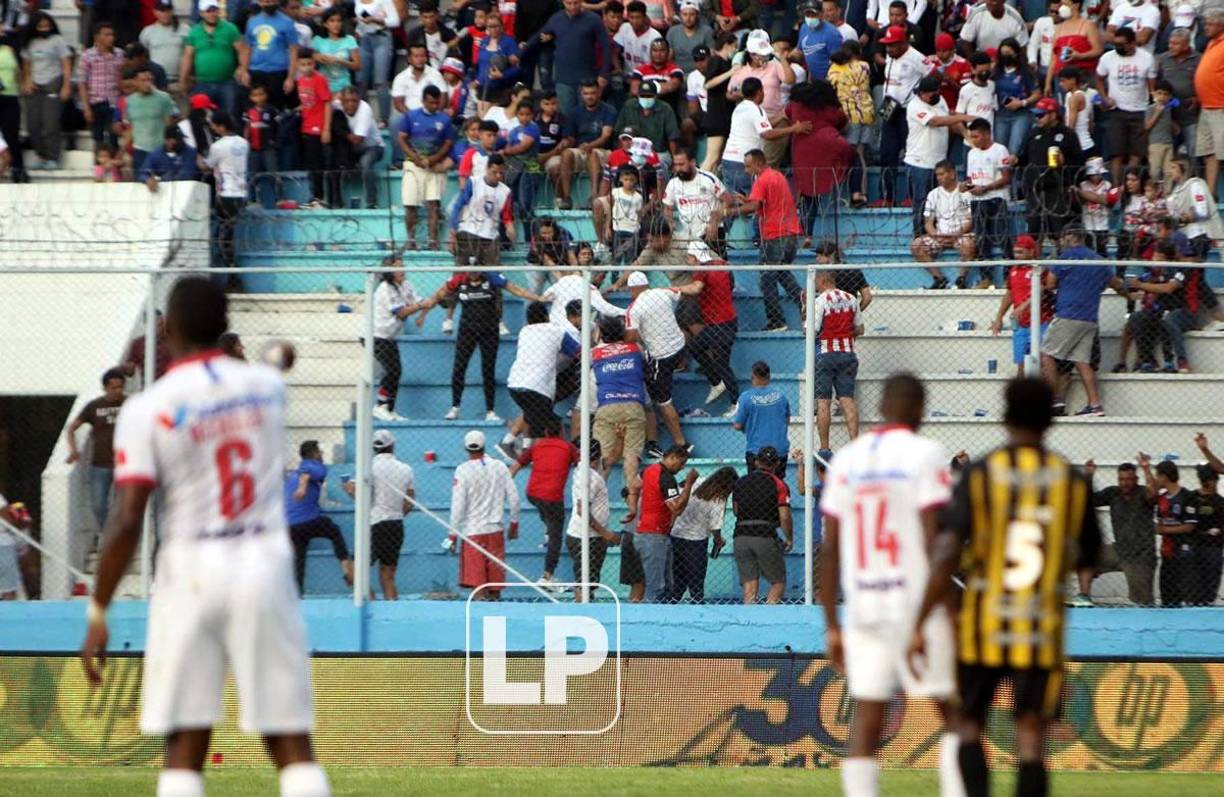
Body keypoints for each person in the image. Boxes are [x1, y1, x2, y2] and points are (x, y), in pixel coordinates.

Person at [80, 277, 333, 797]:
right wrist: (274, 353)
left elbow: (128, 518)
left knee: (186, 742)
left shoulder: (147, 409)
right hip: (262, 562)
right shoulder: (265, 388)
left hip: (190, 568)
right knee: (289, 741)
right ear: (224, 327)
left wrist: (99, 610)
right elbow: (279, 359)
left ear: (167, 329)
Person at [910, 377, 1101, 797]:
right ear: (1050, 422)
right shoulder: (1071, 481)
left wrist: (920, 618)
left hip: (985, 625)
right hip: (1040, 627)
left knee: (968, 725)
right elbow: (1090, 556)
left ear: (1006, 416)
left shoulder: (981, 474)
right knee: (1032, 737)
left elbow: (945, 552)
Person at [820, 373, 960, 797]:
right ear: (920, 409)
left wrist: (831, 624)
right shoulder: (926, 454)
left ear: (881, 406)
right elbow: (936, 539)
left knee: (867, 714)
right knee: (954, 712)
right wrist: (937, 613)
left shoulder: (847, 459)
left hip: (864, 607)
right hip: (916, 601)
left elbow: (830, 551)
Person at [1040, 227, 1127, 416]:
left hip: (1068, 315)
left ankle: (1052, 400)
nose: (1060, 242)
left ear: (1068, 238)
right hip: (1090, 317)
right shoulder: (1099, 260)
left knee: (1046, 354)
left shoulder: (1065, 258)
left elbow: (1050, 283)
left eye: (1062, 239)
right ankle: (1095, 405)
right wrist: (1129, 293)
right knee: (1081, 361)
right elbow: (1116, 284)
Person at [734, 148, 804, 332]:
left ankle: (776, 321)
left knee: (767, 278)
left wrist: (729, 212)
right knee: (781, 273)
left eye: (748, 166)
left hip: (774, 235)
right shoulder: (777, 176)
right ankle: (804, 301)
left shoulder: (762, 178)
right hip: (791, 232)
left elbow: (754, 207)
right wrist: (748, 199)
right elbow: (765, 200)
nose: (746, 170)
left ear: (758, 163)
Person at [625, 270, 692, 458]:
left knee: (662, 401)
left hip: (661, 357)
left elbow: (630, 338)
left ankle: (681, 443)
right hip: (680, 347)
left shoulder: (634, 308)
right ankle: (682, 364)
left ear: (632, 289)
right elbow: (681, 294)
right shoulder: (661, 292)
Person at [501, 302, 581, 456]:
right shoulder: (556, 331)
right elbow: (579, 352)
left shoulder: (524, 331)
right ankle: (539, 457)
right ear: (547, 316)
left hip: (515, 384)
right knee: (548, 426)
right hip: (539, 387)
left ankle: (516, 445)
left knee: (531, 414)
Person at [591, 316, 649, 525]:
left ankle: (594, 505)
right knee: (631, 458)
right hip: (634, 405)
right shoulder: (635, 349)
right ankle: (632, 506)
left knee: (603, 459)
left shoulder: (595, 353)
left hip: (607, 406)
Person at [451, 430, 520, 601]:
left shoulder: (463, 470)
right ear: (484, 445)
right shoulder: (499, 467)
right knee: (495, 586)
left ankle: (479, 620)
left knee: (478, 587)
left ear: (466, 448)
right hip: (495, 530)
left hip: (473, 532)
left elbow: (458, 505)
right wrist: (514, 524)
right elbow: (514, 498)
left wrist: (453, 534)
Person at [510, 418, 579, 591]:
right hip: (553, 498)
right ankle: (547, 575)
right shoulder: (568, 448)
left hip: (532, 494)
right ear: (562, 432)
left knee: (544, 507)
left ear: (546, 432)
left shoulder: (537, 446)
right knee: (557, 535)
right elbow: (583, 465)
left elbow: (515, 467)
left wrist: (503, 486)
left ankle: (547, 529)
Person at [675, 241, 739, 413]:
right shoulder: (722, 265)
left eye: (689, 257)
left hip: (720, 325)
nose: (688, 260)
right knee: (696, 348)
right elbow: (730, 285)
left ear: (695, 258)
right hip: (723, 322)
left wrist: (675, 289)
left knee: (722, 364)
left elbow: (696, 288)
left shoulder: (701, 271)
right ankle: (716, 382)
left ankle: (736, 402)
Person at [906, 75, 972, 240]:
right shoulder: (914, 105)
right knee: (922, 202)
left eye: (929, 94)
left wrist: (965, 133)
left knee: (939, 202)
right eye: (923, 94)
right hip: (919, 162)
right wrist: (962, 117)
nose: (926, 97)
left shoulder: (940, 100)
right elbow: (936, 121)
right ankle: (920, 237)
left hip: (939, 162)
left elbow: (949, 120)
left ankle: (940, 236)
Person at [285, 439, 354, 594]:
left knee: (299, 558)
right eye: (320, 451)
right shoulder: (311, 466)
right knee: (334, 531)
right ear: (314, 454)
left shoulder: (292, 476)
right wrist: (303, 488)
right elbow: (309, 472)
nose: (322, 454)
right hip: (309, 520)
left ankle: (298, 594)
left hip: (291, 525)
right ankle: (346, 568)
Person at [1083, 460, 1156, 605]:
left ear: (1136, 479)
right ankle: (1083, 596)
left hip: (1140, 556)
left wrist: (1146, 469)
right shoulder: (1113, 493)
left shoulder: (1142, 493)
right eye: (1121, 479)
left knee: (1143, 602)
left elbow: (1153, 494)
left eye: (1129, 479)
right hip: (1119, 549)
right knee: (1086, 557)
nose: (1125, 483)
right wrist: (1089, 475)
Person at [66, 368, 128, 532]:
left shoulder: (130, 404)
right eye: (113, 387)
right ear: (105, 388)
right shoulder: (94, 406)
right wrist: (74, 450)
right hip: (100, 464)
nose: (118, 391)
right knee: (98, 505)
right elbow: (71, 428)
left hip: (125, 463)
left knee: (122, 505)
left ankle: (116, 538)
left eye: (120, 387)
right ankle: (108, 534)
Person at [875, 23, 930, 208]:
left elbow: (934, 76)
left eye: (892, 45)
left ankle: (910, 196)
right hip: (890, 111)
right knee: (887, 154)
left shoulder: (916, 57)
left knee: (910, 154)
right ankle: (886, 196)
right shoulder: (891, 58)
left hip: (908, 112)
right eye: (887, 44)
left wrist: (919, 93)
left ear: (903, 43)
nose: (888, 48)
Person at [1017, 97, 1084, 246]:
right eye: (1036, 115)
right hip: (1035, 190)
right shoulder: (1033, 133)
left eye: (1041, 115)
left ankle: (1063, 264)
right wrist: (1014, 159)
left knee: (1060, 233)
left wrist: (1063, 162)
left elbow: (1079, 163)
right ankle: (1035, 267)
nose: (1038, 118)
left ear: (1053, 115)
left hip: (1057, 190)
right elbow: (1023, 157)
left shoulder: (1068, 134)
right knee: (1034, 234)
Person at [812, 269, 863, 457]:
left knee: (823, 402)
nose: (815, 285)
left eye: (816, 281)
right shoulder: (851, 298)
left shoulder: (821, 301)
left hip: (826, 354)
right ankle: (855, 442)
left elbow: (813, 329)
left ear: (823, 280)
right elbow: (860, 328)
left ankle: (825, 447)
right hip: (848, 353)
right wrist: (845, 335)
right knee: (847, 400)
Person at [636, 444, 698, 601]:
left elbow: (634, 484)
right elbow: (676, 509)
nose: (682, 468)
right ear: (673, 458)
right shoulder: (666, 478)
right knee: (657, 586)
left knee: (663, 582)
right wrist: (689, 484)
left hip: (649, 530)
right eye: (681, 463)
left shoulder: (648, 470)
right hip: (655, 534)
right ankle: (651, 618)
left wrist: (633, 507)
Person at [731, 446, 792, 605]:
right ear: (777, 463)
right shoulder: (779, 484)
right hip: (764, 534)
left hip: (741, 535)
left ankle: (749, 620)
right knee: (778, 582)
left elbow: (736, 511)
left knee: (749, 584)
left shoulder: (741, 482)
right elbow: (784, 516)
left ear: (757, 462)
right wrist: (789, 538)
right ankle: (768, 614)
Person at [397, 84, 455, 251]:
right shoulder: (410, 116)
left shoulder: (444, 120)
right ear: (423, 101)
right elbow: (402, 138)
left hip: (434, 166)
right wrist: (414, 157)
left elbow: (448, 143)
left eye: (437, 103)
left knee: (433, 205)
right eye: (431, 103)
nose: (434, 106)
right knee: (410, 204)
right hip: (413, 164)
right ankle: (411, 240)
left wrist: (434, 159)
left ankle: (432, 242)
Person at [371, 259, 430, 422]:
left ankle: (389, 408)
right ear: (389, 272)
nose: (402, 270)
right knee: (392, 370)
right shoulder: (385, 288)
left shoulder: (405, 285)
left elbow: (420, 302)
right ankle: (380, 406)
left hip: (389, 336)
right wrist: (419, 307)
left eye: (402, 266)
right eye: (397, 268)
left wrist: (437, 299)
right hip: (376, 335)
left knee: (397, 371)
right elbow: (401, 313)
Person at [669, 466, 735, 603]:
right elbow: (715, 526)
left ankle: (672, 604)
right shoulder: (719, 498)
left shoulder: (697, 481)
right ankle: (696, 606)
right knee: (696, 582)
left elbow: (678, 491)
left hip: (675, 534)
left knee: (677, 577)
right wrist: (718, 539)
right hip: (696, 541)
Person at [991, 235, 1055, 377]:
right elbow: (1010, 294)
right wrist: (999, 317)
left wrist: (1022, 307)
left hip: (1041, 322)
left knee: (1043, 363)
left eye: (1021, 252)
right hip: (1021, 324)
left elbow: (1043, 291)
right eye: (1015, 252)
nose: (1017, 256)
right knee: (1021, 365)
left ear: (1031, 252)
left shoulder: (1040, 269)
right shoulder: (1014, 271)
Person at [566, 440, 621, 602]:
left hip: (586, 536)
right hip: (587, 537)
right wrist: (606, 534)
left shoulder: (582, 470)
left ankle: (584, 605)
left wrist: (620, 439)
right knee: (585, 582)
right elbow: (582, 509)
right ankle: (582, 610)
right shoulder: (591, 478)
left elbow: (612, 459)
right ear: (597, 457)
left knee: (587, 580)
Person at [1141, 455, 1198, 607]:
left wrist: (1163, 529)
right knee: (1167, 594)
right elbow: (1152, 488)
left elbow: (1189, 526)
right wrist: (1146, 468)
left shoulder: (1187, 496)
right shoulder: (1162, 498)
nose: (1156, 479)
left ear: (1165, 477)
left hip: (1184, 552)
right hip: (1167, 552)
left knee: (1185, 595)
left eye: (1158, 475)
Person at [963, 117, 1014, 287]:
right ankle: (986, 277)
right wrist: (967, 186)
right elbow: (970, 178)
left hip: (997, 198)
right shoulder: (971, 153)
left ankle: (1009, 276)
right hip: (978, 200)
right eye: (972, 137)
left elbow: (1006, 178)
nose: (973, 140)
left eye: (976, 136)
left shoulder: (1000, 150)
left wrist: (986, 188)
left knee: (1003, 237)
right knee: (981, 239)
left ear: (986, 134)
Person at [20, 12, 73, 171]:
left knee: (51, 124)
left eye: (47, 26)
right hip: (35, 86)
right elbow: (26, 65)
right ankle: (41, 155)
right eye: (41, 26)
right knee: (33, 125)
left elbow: (66, 64)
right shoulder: (30, 43)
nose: (44, 29)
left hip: (53, 83)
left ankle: (53, 158)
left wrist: (66, 85)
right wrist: (27, 81)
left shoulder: (58, 40)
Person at [913, 159, 976, 288]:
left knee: (969, 244)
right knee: (916, 245)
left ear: (952, 174)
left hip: (960, 234)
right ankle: (939, 278)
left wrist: (955, 234)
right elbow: (928, 222)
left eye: (942, 174)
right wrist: (936, 235)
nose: (939, 178)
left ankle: (961, 279)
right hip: (939, 235)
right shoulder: (933, 194)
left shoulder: (964, 193)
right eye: (937, 175)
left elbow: (969, 220)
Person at [204, 111, 249, 290]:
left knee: (223, 238)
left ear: (221, 126)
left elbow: (208, 165)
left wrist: (200, 159)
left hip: (225, 194)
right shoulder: (244, 143)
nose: (213, 128)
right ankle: (231, 274)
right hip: (241, 192)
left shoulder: (218, 146)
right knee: (228, 235)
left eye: (214, 125)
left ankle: (231, 276)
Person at [180, 0, 243, 116]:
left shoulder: (230, 29)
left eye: (214, 10)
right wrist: (183, 79)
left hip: (227, 82)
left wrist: (242, 69)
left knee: (230, 115)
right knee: (202, 117)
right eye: (208, 11)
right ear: (201, 13)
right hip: (202, 83)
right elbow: (188, 56)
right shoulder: (194, 32)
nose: (212, 14)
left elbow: (242, 51)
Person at [732, 360, 791, 477]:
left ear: (752, 376)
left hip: (757, 450)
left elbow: (737, 425)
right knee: (777, 485)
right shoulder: (781, 396)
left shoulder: (746, 397)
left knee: (755, 487)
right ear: (769, 377)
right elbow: (787, 421)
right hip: (779, 450)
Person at [240, 0, 299, 110]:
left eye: (271, 1)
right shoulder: (252, 21)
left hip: (278, 73)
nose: (268, 3)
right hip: (256, 71)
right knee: (255, 112)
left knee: (276, 110)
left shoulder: (287, 22)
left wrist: (290, 78)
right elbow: (247, 48)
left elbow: (293, 50)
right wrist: (244, 71)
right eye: (265, 1)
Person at [334, 86, 385, 210]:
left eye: (354, 101)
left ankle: (372, 203)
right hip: (351, 148)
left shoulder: (365, 109)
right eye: (347, 101)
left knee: (365, 163)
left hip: (374, 147)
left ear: (359, 100)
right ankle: (336, 203)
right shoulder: (337, 105)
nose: (351, 104)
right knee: (332, 159)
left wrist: (339, 131)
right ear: (342, 101)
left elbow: (358, 139)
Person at [123, 65, 179, 175]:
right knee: (140, 183)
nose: (147, 84)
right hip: (139, 149)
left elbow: (170, 123)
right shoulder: (129, 101)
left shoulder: (164, 98)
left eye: (150, 80)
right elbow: (130, 128)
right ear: (135, 82)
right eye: (143, 80)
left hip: (160, 147)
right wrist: (124, 151)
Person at [1044, 0, 1103, 99]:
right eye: (1061, 4)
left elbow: (1098, 50)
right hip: (1062, 78)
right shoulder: (1059, 28)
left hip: (1083, 78)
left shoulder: (1088, 25)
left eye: (1066, 4)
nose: (1062, 7)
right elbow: (1053, 59)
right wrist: (1048, 83)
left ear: (1076, 5)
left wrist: (1079, 56)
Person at [80, 21, 126, 147]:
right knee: (98, 139)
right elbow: (82, 83)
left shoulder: (120, 54)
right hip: (96, 102)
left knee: (114, 139)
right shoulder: (87, 55)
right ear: (97, 37)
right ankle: (99, 166)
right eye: (106, 35)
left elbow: (123, 78)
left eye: (112, 35)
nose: (110, 38)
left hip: (114, 102)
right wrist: (86, 108)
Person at [353, 0, 399, 123]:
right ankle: (363, 118)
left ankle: (384, 119)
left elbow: (395, 21)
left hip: (381, 37)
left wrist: (375, 20)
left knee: (380, 81)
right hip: (364, 39)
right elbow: (359, 19)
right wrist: (358, 27)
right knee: (361, 80)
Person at [1194, 7, 1224, 195]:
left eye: (1210, 24)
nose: (1206, 27)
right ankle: (1210, 194)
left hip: (1221, 105)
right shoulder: (1212, 43)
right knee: (1209, 153)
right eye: (1205, 23)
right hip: (1207, 105)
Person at [1190, 465, 1224, 606]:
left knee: (1210, 583)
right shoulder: (1192, 498)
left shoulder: (1220, 501)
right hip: (1194, 546)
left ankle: (1208, 602)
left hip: (1213, 548)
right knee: (1194, 583)